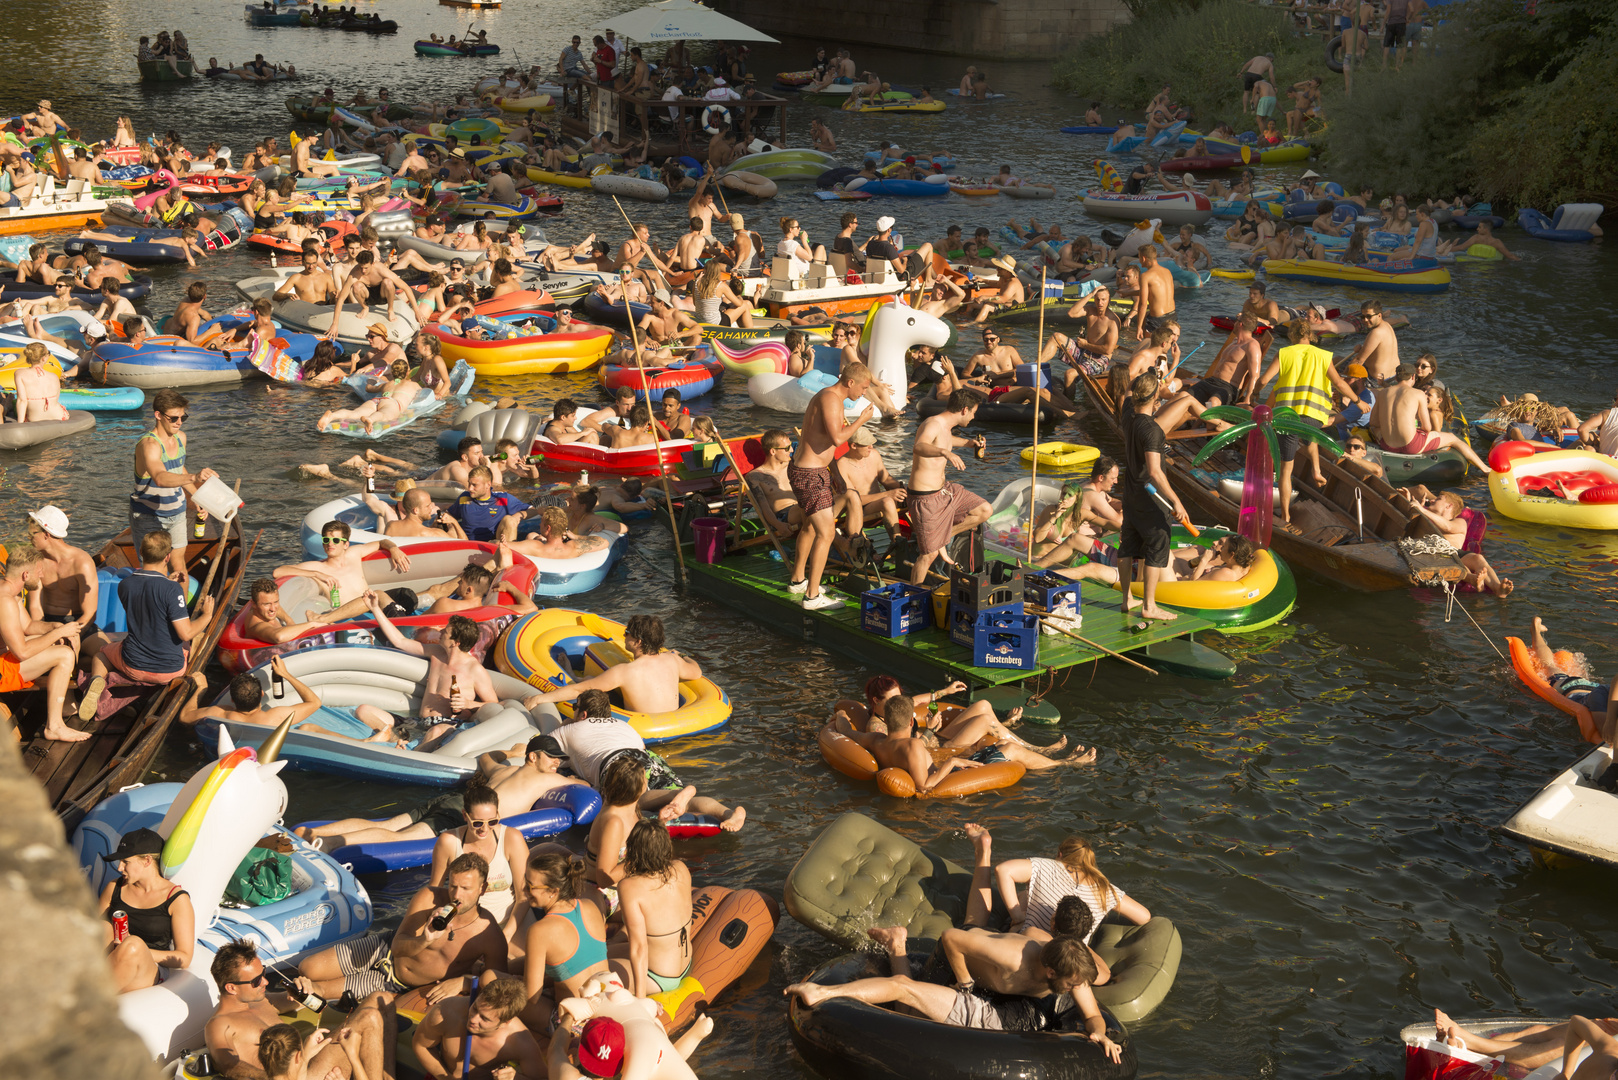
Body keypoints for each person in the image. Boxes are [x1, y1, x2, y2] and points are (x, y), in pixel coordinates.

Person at [783, 912, 1118, 1057]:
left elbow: (1092, 1016)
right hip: (956, 961)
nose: (1076, 989)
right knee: (905, 1007)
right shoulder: (1011, 957)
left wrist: (1100, 1032)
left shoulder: (1069, 970)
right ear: (1049, 972)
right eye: (1072, 984)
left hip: (993, 991)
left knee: (909, 1000)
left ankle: (896, 945)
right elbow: (952, 937)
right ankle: (892, 946)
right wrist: (965, 982)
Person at [299, 853, 507, 1004]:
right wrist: (425, 939)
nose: (456, 895)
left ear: (483, 889)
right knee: (307, 969)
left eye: (465, 888)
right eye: (452, 885)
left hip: (397, 984)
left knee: (318, 990)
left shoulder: (489, 935)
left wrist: (465, 981)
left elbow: (498, 983)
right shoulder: (429, 898)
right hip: (385, 947)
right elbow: (398, 948)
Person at [546, 687, 744, 828]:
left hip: (614, 762)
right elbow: (639, 750)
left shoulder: (570, 729)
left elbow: (539, 752)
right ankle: (727, 812)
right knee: (672, 794)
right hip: (645, 756)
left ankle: (676, 795)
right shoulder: (623, 725)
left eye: (575, 707)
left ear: (583, 714)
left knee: (632, 802)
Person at [207, 940, 396, 1080]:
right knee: (369, 1016)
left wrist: (305, 988)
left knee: (382, 999)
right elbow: (228, 1065)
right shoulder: (219, 1024)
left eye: (263, 973)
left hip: (308, 1062)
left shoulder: (262, 1001)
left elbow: (307, 1001)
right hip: (299, 1076)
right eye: (256, 981)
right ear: (231, 988)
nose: (265, 982)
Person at [80, 531, 214, 715]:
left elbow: (149, 598)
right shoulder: (172, 589)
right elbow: (185, 633)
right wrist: (206, 616)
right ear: (168, 557)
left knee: (101, 655)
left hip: (132, 664)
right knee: (190, 641)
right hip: (171, 670)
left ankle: (96, 681)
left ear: (141, 552)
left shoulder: (125, 585)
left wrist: (166, 583)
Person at [788, 362, 876, 609]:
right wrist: (862, 420)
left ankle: (798, 580)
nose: (864, 393)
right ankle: (813, 597)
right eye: (863, 387)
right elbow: (838, 438)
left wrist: (835, 472)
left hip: (815, 471)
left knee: (810, 527)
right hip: (809, 474)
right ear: (850, 382)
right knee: (826, 533)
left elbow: (827, 443)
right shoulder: (830, 399)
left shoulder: (833, 399)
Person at [1255, 322, 1358, 522]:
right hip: (1315, 418)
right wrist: (1357, 400)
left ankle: (1285, 514)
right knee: (1312, 436)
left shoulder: (1284, 353)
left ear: (1292, 336)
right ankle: (1316, 470)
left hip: (1287, 419)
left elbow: (1264, 380)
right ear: (1310, 336)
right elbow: (1339, 383)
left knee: (1286, 471)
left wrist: (1254, 393)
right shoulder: (1323, 355)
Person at [520, 614, 692, 719]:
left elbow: (577, 691)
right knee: (595, 682)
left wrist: (538, 699)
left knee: (592, 686)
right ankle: (575, 674)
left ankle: (573, 675)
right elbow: (697, 672)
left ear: (638, 642)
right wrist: (683, 656)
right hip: (676, 724)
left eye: (627, 633)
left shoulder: (625, 672)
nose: (624, 636)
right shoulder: (673, 661)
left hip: (641, 729)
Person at [1118, 372, 1186, 621]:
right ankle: (1149, 605)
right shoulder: (1153, 430)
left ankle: (1127, 599)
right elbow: (1156, 471)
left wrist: (1142, 379)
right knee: (1157, 547)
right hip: (1151, 497)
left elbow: (1126, 392)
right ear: (1156, 396)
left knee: (1127, 547)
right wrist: (1177, 501)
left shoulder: (1128, 416)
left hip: (1130, 494)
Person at [130, 389, 217, 581]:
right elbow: (160, 477)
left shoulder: (181, 438)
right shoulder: (149, 445)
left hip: (177, 512)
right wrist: (195, 477)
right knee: (152, 572)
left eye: (183, 417)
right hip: (148, 515)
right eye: (174, 418)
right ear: (158, 415)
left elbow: (178, 468)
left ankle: (181, 611)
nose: (179, 422)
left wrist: (197, 498)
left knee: (179, 568)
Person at [96, 826, 195, 993]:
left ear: (147, 861)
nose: (120, 868)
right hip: (110, 959)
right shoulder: (114, 887)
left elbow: (184, 958)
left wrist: (136, 951)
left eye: (126, 862)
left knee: (133, 945)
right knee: (103, 927)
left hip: (149, 968)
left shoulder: (177, 899)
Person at [907, 388, 991, 583]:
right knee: (928, 555)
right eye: (973, 412)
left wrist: (968, 444)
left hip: (945, 491)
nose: (973, 417)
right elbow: (919, 446)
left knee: (984, 510)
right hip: (925, 498)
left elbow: (946, 440)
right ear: (964, 409)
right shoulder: (933, 423)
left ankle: (942, 539)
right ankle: (913, 596)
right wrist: (946, 453)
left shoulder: (945, 427)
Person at [613, 819, 694, 998]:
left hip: (657, 977)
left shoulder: (629, 887)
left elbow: (639, 947)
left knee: (589, 968)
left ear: (633, 850)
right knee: (603, 951)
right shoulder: (681, 868)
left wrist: (640, 999)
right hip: (685, 963)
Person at [272, 519, 410, 624]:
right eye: (326, 540)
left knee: (425, 591)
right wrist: (315, 574)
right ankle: (403, 626)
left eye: (335, 540)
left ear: (346, 544)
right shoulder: (317, 567)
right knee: (378, 594)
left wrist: (393, 549)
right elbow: (278, 572)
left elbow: (382, 541)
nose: (330, 543)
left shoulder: (354, 553)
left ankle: (403, 624)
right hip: (345, 618)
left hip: (370, 609)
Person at [412, 976, 543, 1080]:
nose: (473, 1019)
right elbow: (421, 1046)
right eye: (475, 1008)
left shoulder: (519, 1042)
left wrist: (516, 1078)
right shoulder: (447, 1011)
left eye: (485, 1019)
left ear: (505, 1022)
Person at [1370, 364, 1488, 472]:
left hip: (1388, 445)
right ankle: (1485, 469)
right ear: (1413, 377)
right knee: (1453, 438)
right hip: (1412, 446)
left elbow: (1373, 422)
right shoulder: (1418, 393)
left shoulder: (1383, 393)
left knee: (1375, 430)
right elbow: (1427, 427)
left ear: (1396, 378)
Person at [1397, 490, 1513, 597]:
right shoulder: (1427, 519)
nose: (1432, 500)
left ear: (1449, 506)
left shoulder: (1459, 521)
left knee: (1477, 558)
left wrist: (1422, 509)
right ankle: (1472, 579)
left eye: (1438, 499)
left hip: (1454, 552)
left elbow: (1447, 527)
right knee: (1454, 562)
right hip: (1434, 554)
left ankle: (1498, 588)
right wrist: (1408, 503)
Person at [26, 504, 98, 647]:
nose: (29, 537)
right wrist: (45, 634)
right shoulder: (36, 561)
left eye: (32, 533)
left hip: (77, 622)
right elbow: (35, 607)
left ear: (46, 534)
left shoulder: (81, 563)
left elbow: (89, 613)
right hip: (46, 622)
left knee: (101, 653)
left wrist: (72, 637)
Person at [834, 426, 907, 548]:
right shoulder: (842, 466)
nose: (871, 447)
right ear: (853, 446)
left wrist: (905, 489)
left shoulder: (874, 455)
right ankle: (897, 542)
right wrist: (887, 494)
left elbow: (885, 479)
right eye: (866, 445)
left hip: (879, 503)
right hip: (860, 511)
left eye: (871, 444)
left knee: (916, 494)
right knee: (888, 501)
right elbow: (852, 500)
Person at [448, 465, 530, 543]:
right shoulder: (464, 497)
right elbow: (450, 514)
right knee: (450, 529)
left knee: (510, 520)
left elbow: (532, 509)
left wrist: (517, 516)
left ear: (488, 484)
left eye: (474, 485)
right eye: (469, 483)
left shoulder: (502, 499)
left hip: (493, 546)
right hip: (468, 544)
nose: (470, 488)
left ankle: (506, 555)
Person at [1128, 244, 1176, 343]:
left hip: (1158, 320)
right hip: (1172, 316)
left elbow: (1143, 304)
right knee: (1164, 349)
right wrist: (1127, 293)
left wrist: (1139, 327)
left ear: (1144, 258)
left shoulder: (1145, 276)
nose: (1139, 261)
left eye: (1139, 258)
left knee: (1148, 347)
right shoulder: (1167, 272)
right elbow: (1157, 292)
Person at [1346, 298, 1400, 383]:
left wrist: (1343, 378)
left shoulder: (1376, 332)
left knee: (1338, 366)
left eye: (1369, 316)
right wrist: (1362, 349)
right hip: (1394, 377)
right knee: (1339, 359)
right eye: (1363, 317)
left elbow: (1359, 360)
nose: (1365, 320)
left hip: (1376, 381)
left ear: (1379, 315)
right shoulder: (1387, 325)